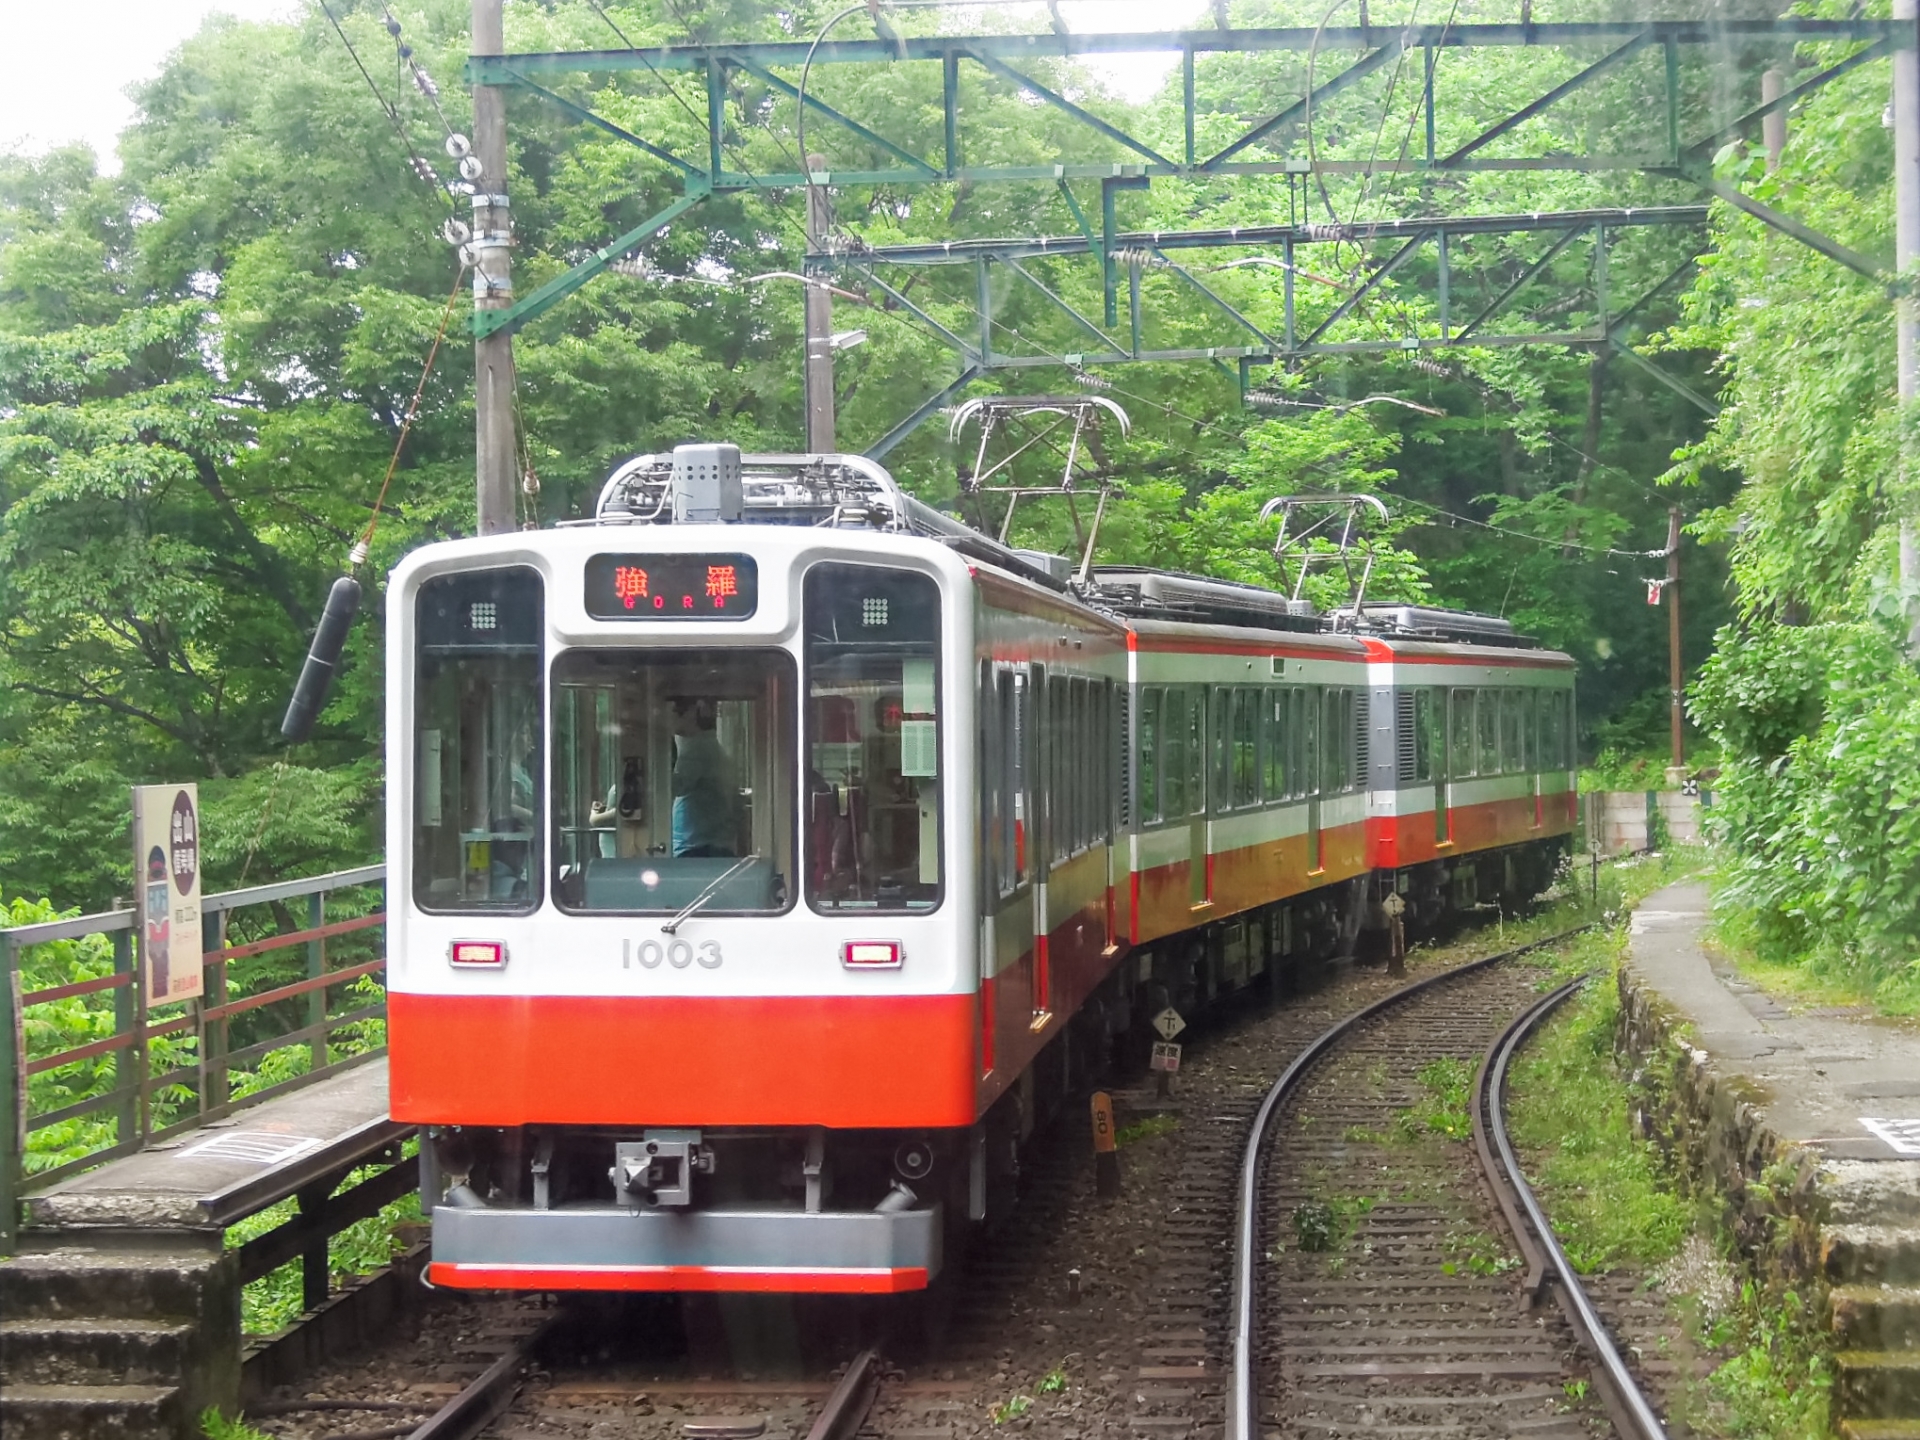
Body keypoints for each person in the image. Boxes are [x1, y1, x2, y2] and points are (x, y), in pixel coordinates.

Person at [669, 697, 738, 857]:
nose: (668, 717)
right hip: (704, 845)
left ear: (692, 713)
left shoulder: (697, 751)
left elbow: (673, 788)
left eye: (674, 711)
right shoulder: (705, 747)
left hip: (697, 849)